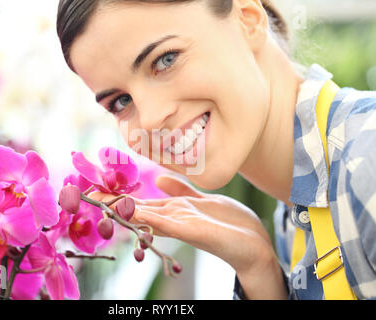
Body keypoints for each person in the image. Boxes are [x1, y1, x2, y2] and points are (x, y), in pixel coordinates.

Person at [56, 0, 376, 299]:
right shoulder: (294, 218)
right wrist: (260, 274)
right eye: (121, 102)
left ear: (248, 20)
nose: (151, 119)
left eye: (166, 60)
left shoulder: (366, 160)